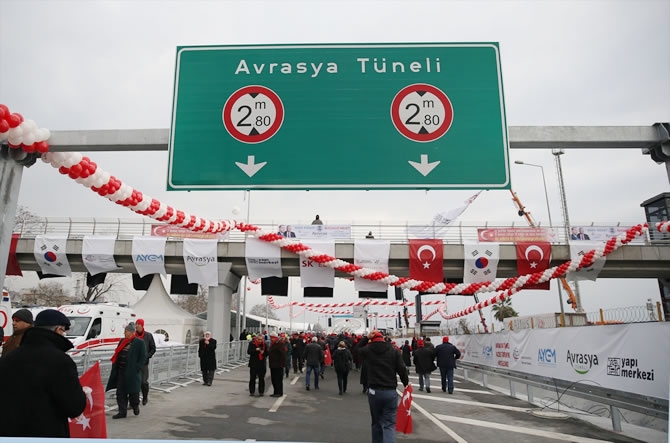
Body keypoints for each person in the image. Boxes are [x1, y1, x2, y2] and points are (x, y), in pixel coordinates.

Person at [0, 309, 86, 437]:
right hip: (46, 432)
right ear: (58, 330)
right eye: (64, 331)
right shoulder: (61, 361)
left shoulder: (9, 357)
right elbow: (74, 407)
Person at [358, 330, 409, 443]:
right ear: (384, 338)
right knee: (389, 424)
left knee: (376, 423)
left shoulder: (368, 350)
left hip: (374, 391)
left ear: (372, 339)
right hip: (390, 391)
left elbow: (357, 350)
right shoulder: (393, 350)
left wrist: (366, 338)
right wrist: (406, 384)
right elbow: (402, 370)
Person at [106, 322, 147, 419]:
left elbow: (143, 357)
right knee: (120, 392)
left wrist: (137, 368)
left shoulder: (139, 342)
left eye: (126, 331)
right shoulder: (122, 341)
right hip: (121, 370)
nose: (124, 333)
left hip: (132, 372)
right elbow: (118, 352)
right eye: (125, 331)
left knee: (133, 392)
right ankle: (122, 411)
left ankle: (135, 405)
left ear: (132, 332)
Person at [135, 318, 156, 405]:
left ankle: (145, 397)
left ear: (142, 325)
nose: (137, 326)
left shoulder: (148, 336)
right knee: (135, 382)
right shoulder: (133, 335)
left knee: (143, 382)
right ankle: (134, 401)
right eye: (136, 324)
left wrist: (147, 356)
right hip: (134, 363)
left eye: (139, 324)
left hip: (143, 363)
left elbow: (153, 348)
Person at [268, 331, 286, 397]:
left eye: (271, 338)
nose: (270, 339)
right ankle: (275, 391)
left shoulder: (279, 344)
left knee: (278, 379)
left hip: (278, 365)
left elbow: (283, 354)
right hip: (273, 365)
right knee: (274, 379)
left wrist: (282, 364)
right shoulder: (273, 344)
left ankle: (279, 392)